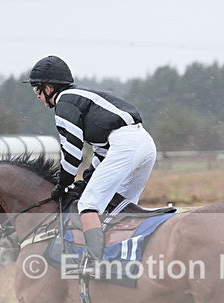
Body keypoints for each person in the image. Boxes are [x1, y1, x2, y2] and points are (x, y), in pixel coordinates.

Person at [24, 55, 157, 273]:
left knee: (88, 205)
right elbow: (102, 154)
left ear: (48, 89)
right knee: (120, 208)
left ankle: (94, 264)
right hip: (145, 144)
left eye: (36, 90)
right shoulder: (80, 98)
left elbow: (72, 152)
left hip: (126, 145)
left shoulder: (64, 103)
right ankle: (130, 260)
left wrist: (62, 184)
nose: (37, 96)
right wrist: (82, 182)